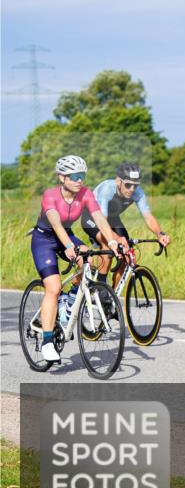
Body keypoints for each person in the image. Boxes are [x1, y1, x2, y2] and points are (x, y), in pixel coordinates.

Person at [29, 155, 122, 363]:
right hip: (44, 240)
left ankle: (70, 300)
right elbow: (56, 224)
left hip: (67, 235)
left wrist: (112, 241)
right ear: (62, 177)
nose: (79, 180)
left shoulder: (85, 193)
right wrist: (69, 246)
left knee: (88, 259)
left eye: (82, 175)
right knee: (53, 288)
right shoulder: (50, 195)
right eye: (74, 176)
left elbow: (99, 219)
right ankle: (47, 341)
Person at [81, 161, 171, 287]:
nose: (132, 189)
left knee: (127, 252)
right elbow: (102, 222)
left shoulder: (138, 193)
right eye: (128, 185)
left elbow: (148, 216)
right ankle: (101, 285)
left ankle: (112, 294)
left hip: (112, 218)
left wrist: (159, 234)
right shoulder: (107, 190)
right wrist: (116, 239)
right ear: (118, 181)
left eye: (135, 185)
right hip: (92, 218)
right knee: (107, 244)